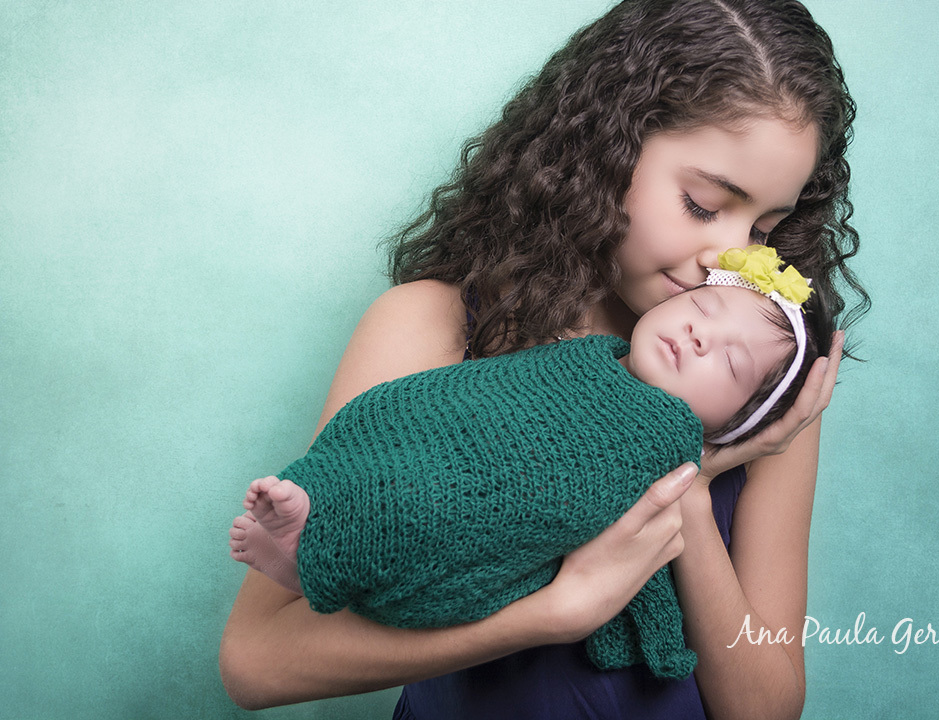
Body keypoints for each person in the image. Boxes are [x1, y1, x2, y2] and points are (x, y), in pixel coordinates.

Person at [219, 1, 867, 717]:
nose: (730, 258)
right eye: (703, 203)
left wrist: (687, 482)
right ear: (605, 149)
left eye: (765, 229)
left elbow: (766, 707)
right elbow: (256, 662)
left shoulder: (757, 391)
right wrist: (554, 612)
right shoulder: (435, 326)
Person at [228, 251, 831, 681]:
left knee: (454, 513)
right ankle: (321, 526)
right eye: (703, 304)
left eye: (731, 363)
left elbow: (765, 703)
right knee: (399, 443)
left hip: (509, 519)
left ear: (740, 422)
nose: (701, 334)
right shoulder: (576, 350)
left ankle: (323, 557)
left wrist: (692, 483)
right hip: (455, 452)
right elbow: (487, 393)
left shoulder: (730, 439)